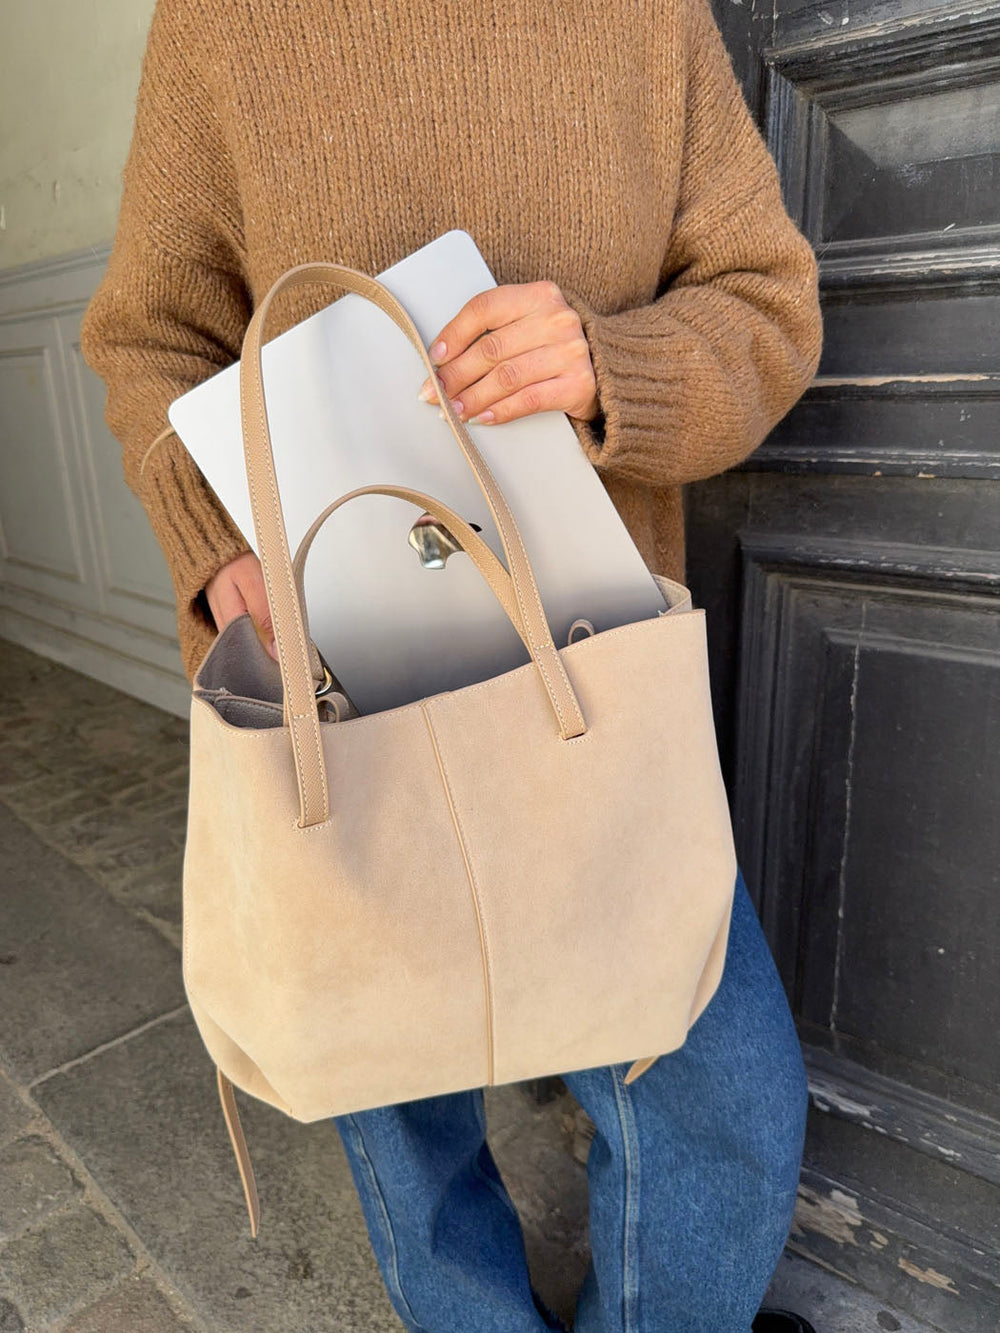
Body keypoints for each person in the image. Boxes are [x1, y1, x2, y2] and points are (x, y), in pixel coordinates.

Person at [80, 1, 825, 1329]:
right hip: (339, 681)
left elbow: (765, 302)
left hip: (592, 665)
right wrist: (215, 544)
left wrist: (610, 365)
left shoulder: (646, 18)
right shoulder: (219, 22)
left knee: (723, 1093)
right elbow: (149, 334)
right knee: (395, 1097)